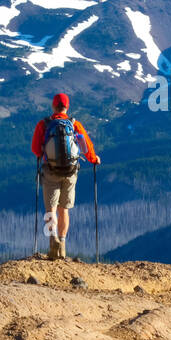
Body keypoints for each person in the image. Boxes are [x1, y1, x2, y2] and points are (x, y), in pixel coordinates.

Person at [30, 92, 99, 260]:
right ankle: (62, 245)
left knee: (51, 209)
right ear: (67, 107)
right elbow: (86, 147)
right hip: (70, 173)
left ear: (53, 106)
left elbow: (35, 149)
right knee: (64, 210)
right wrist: (94, 159)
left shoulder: (44, 124)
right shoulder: (74, 124)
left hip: (51, 171)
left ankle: (52, 242)